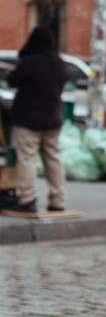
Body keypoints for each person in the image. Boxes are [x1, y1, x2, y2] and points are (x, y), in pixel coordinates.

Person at [6, 26, 69, 214]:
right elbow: (65, 78)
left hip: (28, 119)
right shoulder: (59, 63)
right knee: (53, 159)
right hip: (53, 119)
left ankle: (28, 199)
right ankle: (58, 200)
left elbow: (12, 80)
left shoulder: (30, 63)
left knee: (27, 158)